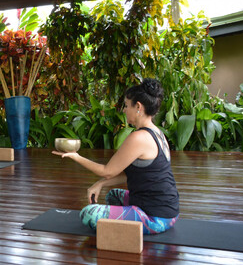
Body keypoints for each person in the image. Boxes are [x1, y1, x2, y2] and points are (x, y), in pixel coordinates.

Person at [53, 78, 180, 235]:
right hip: (168, 211)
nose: (124, 110)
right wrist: (100, 184)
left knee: (88, 213)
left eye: (127, 106)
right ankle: (125, 219)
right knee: (113, 195)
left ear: (138, 107)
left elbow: (107, 171)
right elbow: (133, 174)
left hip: (156, 217)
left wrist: (75, 156)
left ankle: (129, 223)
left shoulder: (139, 137)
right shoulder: (157, 133)